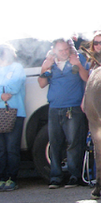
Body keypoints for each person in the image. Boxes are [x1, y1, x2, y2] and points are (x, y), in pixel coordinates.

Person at [38, 38, 89, 188]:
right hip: (54, 107)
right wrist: (44, 68)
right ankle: (55, 177)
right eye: (61, 50)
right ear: (54, 50)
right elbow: (42, 84)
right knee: (55, 143)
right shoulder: (50, 61)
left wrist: (78, 64)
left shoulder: (78, 58)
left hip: (73, 107)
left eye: (66, 49)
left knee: (74, 143)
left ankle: (75, 176)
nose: (64, 52)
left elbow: (87, 78)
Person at [0, 43, 26, 191]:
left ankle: (12, 178)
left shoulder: (17, 68)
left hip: (15, 112)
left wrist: (4, 90)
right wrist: (2, 93)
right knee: (1, 149)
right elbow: (6, 90)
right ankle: (1, 178)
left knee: (11, 147)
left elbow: (14, 87)